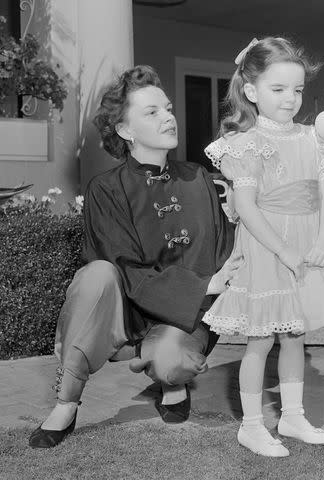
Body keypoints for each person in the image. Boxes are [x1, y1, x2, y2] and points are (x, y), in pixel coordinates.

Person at [28, 65, 236, 448]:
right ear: (125, 131)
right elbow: (119, 265)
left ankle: (169, 379)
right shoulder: (105, 189)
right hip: (125, 311)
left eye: (168, 108)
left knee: (173, 362)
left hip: (186, 313)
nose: (169, 116)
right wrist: (203, 284)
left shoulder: (200, 179)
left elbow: (225, 246)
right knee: (96, 274)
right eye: (152, 112)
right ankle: (66, 403)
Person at [203, 37, 324, 457]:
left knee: (295, 333)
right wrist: (283, 250)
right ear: (252, 92)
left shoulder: (314, 138)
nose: (290, 99)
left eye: (297, 90)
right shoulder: (247, 143)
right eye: (278, 90)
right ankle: (252, 425)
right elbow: (246, 206)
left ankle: (292, 415)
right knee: (261, 338)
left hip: (306, 240)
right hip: (267, 245)